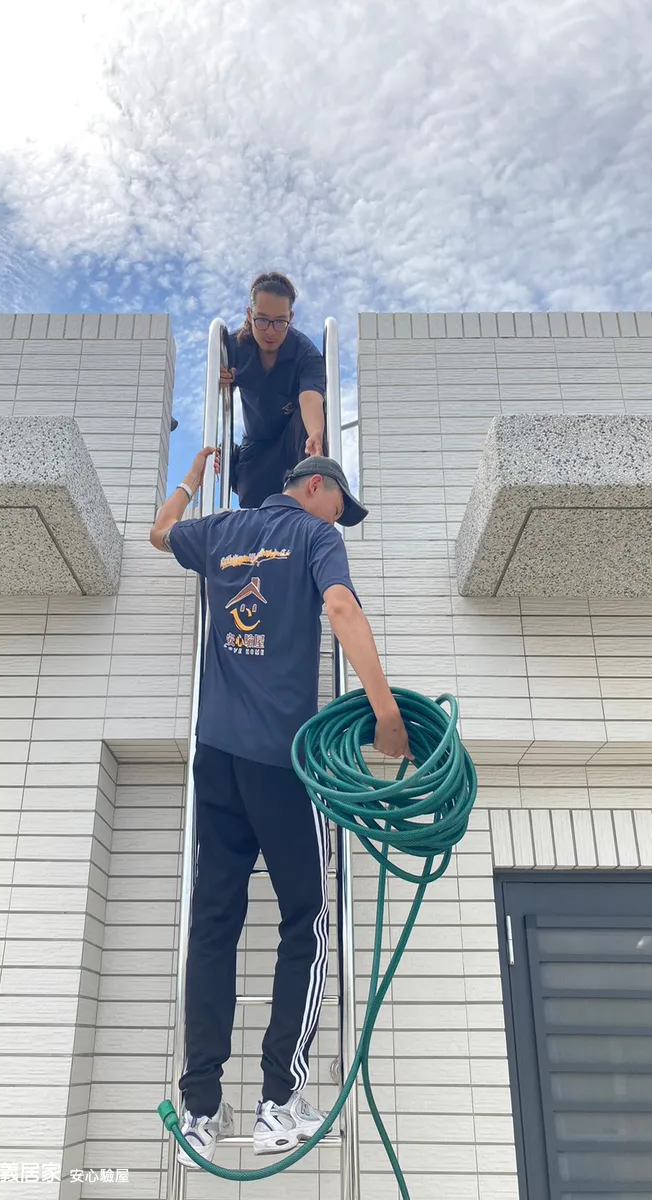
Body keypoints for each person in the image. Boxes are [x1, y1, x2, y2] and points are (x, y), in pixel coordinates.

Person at [150, 449, 412, 1167]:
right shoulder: (315, 536)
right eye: (340, 508)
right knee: (306, 917)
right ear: (316, 488)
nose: (339, 521)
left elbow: (158, 534)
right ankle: (278, 1100)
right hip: (281, 761)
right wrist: (386, 714)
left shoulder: (220, 530)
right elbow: (341, 607)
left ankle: (200, 1109)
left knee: (213, 923)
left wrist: (188, 483)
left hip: (218, 758)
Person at [222, 271, 328, 509]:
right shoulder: (232, 347)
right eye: (261, 320)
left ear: (291, 317)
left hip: (293, 443)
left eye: (280, 322)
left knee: (311, 430)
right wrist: (219, 375)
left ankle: (308, 509)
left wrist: (316, 434)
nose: (270, 331)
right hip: (256, 446)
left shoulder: (306, 354)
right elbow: (215, 375)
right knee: (252, 506)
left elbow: (310, 398)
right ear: (249, 315)